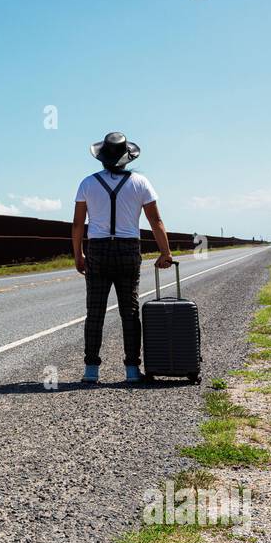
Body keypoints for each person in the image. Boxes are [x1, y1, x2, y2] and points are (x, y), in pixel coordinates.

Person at [71, 132, 174, 384]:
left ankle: (91, 370)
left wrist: (78, 254)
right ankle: (131, 370)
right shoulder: (141, 183)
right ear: (126, 158)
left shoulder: (87, 183)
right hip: (128, 250)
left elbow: (77, 224)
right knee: (129, 311)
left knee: (95, 312)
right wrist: (166, 252)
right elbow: (155, 221)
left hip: (97, 249)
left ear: (102, 158)